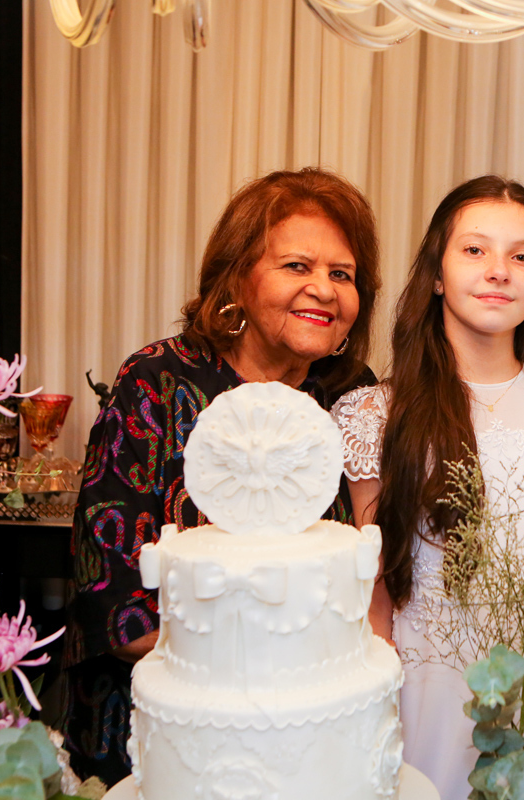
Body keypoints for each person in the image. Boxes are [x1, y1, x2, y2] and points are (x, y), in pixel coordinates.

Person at [62, 167, 382, 784]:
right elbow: (112, 599)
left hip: (312, 740)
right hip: (162, 743)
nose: (323, 289)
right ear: (237, 277)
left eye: (342, 274)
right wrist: (259, 676)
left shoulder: (353, 395)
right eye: (297, 266)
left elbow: (369, 575)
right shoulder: (156, 382)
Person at [331, 176, 524, 800]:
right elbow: (373, 596)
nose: (499, 271)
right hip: (421, 693)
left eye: (522, 256)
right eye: (475, 250)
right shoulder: (377, 415)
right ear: (437, 273)